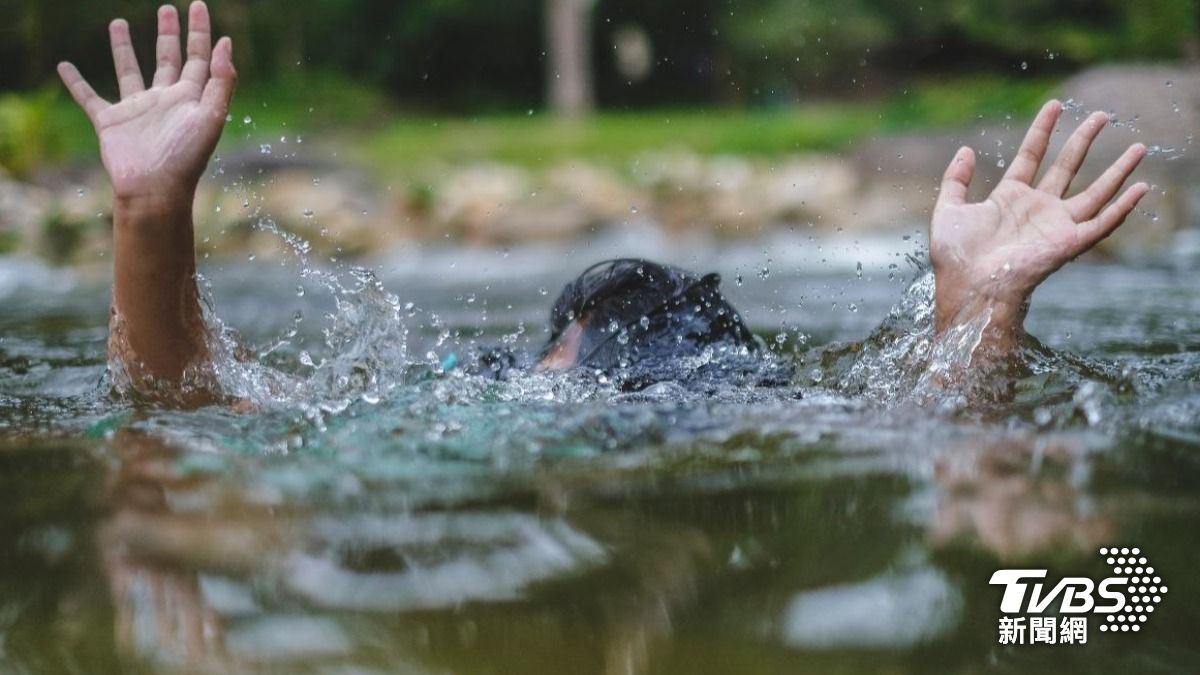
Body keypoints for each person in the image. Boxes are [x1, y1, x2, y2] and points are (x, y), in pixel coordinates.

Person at [57, 2, 1150, 406]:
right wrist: (977, 311)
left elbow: (186, 403)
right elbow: (938, 432)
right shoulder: (748, 395)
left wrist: (151, 219)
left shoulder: (471, 390)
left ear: (559, 346)